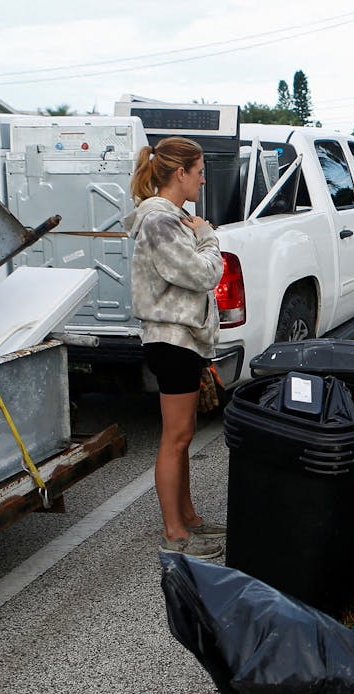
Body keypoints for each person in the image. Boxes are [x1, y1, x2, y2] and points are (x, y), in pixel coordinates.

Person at [123, 136, 227, 558]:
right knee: (176, 437)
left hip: (184, 339)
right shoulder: (160, 223)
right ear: (180, 173)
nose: (203, 181)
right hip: (171, 340)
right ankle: (174, 532)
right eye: (199, 173)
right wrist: (208, 238)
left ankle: (190, 519)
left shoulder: (174, 217)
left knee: (182, 436)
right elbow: (202, 274)